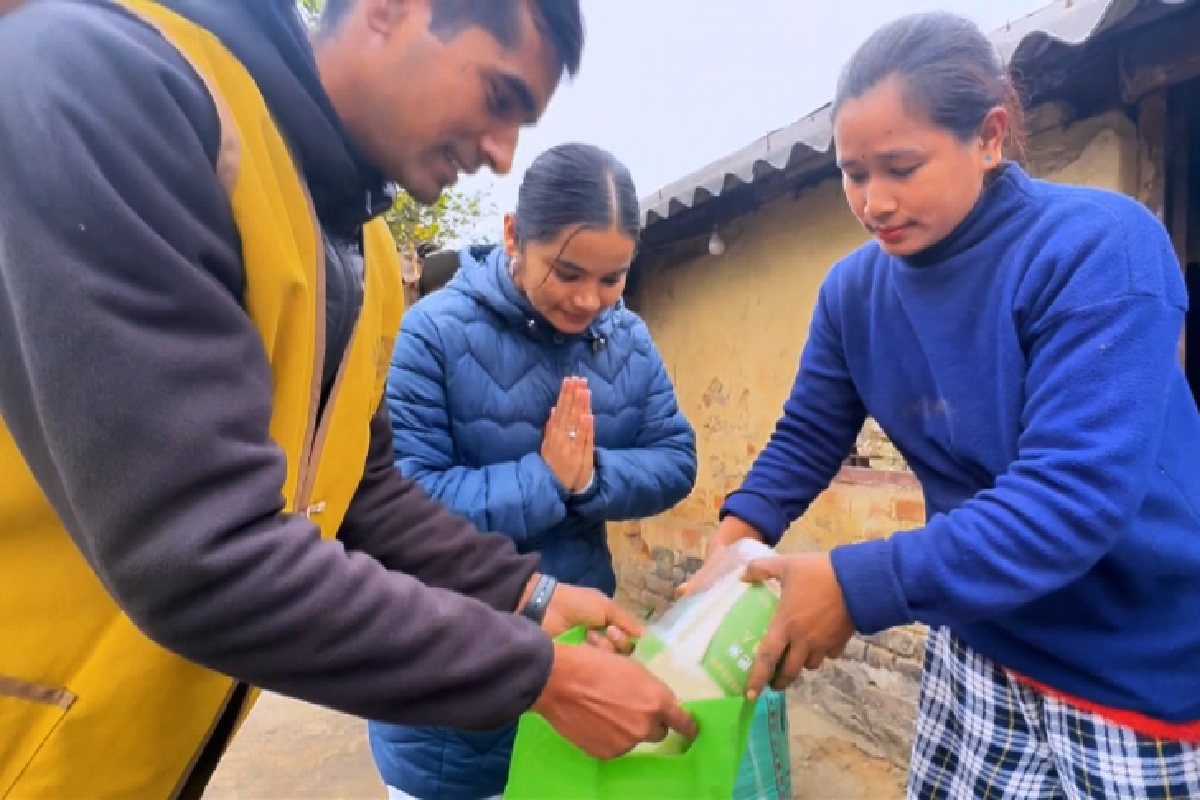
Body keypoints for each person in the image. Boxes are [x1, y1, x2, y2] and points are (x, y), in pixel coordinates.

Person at [0, 2, 696, 798]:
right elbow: (197, 549)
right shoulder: (115, 84)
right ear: (389, 11)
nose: (503, 153)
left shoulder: (358, 247)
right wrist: (543, 675)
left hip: (120, 751)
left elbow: (362, 494)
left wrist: (527, 592)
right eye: (499, 97)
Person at [699, 11, 1200, 800]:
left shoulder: (1096, 250)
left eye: (902, 167)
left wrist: (851, 586)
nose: (874, 202)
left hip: (1131, 668)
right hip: (979, 639)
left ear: (990, 136)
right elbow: (807, 435)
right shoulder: (853, 292)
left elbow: (1069, 501)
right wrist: (733, 545)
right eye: (854, 173)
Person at [370, 142, 698, 800]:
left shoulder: (625, 338)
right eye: (568, 271)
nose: (588, 300)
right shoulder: (432, 334)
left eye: (612, 279)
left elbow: (674, 459)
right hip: (453, 682)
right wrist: (543, 481)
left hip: (584, 655)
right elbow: (403, 502)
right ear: (514, 235)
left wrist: (587, 479)